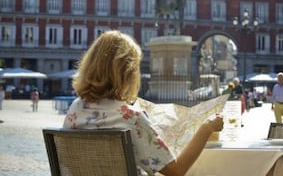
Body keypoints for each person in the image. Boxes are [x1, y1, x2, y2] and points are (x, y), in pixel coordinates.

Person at [62, 30, 224, 176]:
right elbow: (176, 171)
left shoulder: (75, 109)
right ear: (127, 73)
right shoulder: (130, 117)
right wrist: (206, 128)